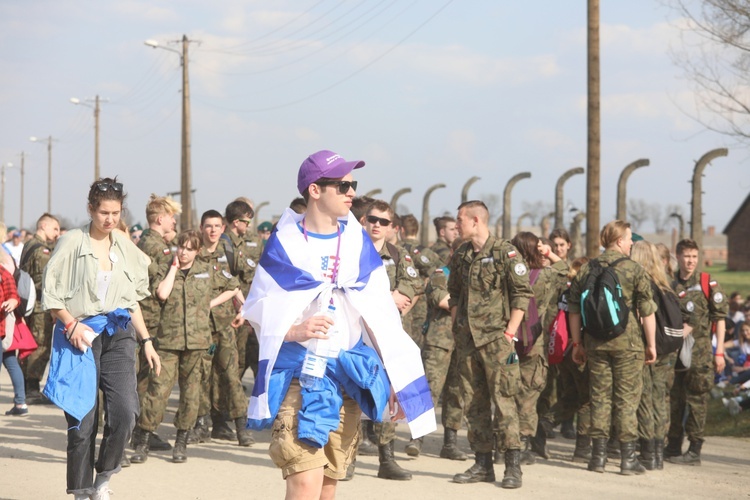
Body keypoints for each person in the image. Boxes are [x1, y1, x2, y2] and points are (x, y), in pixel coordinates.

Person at [242, 150, 434, 500]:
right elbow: (257, 305)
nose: (351, 193)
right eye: (343, 185)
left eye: (353, 185)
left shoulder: (357, 241)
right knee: (304, 483)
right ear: (315, 190)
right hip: (301, 378)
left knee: (329, 485)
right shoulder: (284, 242)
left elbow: (378, 313)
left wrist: (394, 376)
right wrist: (293, 330)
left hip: (348, 376)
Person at [41, 177, 161, 500]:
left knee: (125, 410)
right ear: (90, 209)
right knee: (83, 418)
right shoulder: (71, 241)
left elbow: (131, 299)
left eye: (116, 213)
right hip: (79, 334)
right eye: (104, 212)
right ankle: (81, 490)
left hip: (118, 332)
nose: (110, 219)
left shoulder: (123, 243)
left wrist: (147, 340)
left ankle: (103, 478)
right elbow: (51, 295)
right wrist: (70, 324)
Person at [132, 230, 241, 464]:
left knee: (191, 394)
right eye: (180, 247)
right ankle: (143, 441)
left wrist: (209, 304)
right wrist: (173, 267)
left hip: (198, 342)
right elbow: (162, 293)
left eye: (189, 249)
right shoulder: (164, 268)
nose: (183, 252)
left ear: (197, 251)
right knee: (157, 391)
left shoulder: (207, 270)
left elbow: (233, 286)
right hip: (168, 342)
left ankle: (181, 442)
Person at [448, 200, 533, 489]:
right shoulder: (461, 254)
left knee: (505, 401)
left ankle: (512, 465)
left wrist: (510, 332)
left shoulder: (505, 252)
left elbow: (522, 293)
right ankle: (483, 464)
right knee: (473, 403)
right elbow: (454, 292)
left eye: (460, 220)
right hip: (468, 341)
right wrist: (457, 323)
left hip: (497, 340)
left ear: (475, 220)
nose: (456, 225)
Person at [568, 220, 657, 476]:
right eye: (629, 238)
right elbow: (647, 311)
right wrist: (650, 345)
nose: (631, 243)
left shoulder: (586, 269)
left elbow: (574, 309)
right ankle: (628, 459)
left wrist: (577, 343)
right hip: (628, 345)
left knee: (599, 398)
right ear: (619, 240)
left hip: (594, 343)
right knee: (627, 400)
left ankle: (597, 457)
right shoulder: (633, 269)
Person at [363, 200, 423, 479]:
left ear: (391, 227)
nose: (377, 225)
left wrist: (391, 309)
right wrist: (387, 299)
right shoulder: (353, 251)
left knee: (390, 392)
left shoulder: (398, 255)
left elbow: (410, 289)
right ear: (365, 220)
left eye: (383, 222)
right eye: (373, 219)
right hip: (355, 332)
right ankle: (346, 458)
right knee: (354, 393)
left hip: (387, 334)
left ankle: (386, 458)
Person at [666, 238, 728, 465]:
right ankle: (672, 444)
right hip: (674, 350)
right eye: (686, 256)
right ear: (678, 256)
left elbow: (720, 319)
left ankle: (694, 449)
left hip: (700, 351)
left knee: (696, 400)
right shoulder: (669, 283)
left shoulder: (707, 283)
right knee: (674, 399)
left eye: (694, 256)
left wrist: (719, 352)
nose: (690, 261)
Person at [133, 194, 181, 454]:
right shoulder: (157, 247)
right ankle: (141, 431)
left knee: (143, 376)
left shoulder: (148, 242)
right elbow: (162, 289)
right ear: (160, 219)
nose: (174, 222)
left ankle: (137, 429)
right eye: (171, 217)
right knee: (151, 378)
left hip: (146, 316)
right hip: (153, 319)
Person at [631, 240, 683, 470]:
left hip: (648, 347)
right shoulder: (666, 284)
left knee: (644, 398)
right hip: (668, 348)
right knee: (660, 398)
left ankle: (647, 452)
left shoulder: (642, 284)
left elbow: (643, 316)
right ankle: (658, 453)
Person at [19, 213, 60, 405]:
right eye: (55, 228)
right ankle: (32, 389)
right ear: (43, 226)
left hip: (28, 306)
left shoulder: (28, 245)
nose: (57, 233)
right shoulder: (42, 251)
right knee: (40, 346)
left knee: (30, 345)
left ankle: (26, 387)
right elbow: (44, 283)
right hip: (39, 307)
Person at [1, 261, 22, 415]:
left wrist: (12, 301)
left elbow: (13, 296)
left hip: (1, 330)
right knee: (11, 361)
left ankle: (21, 402)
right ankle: (21, 402)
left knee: (11, 361)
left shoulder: (3, 273)